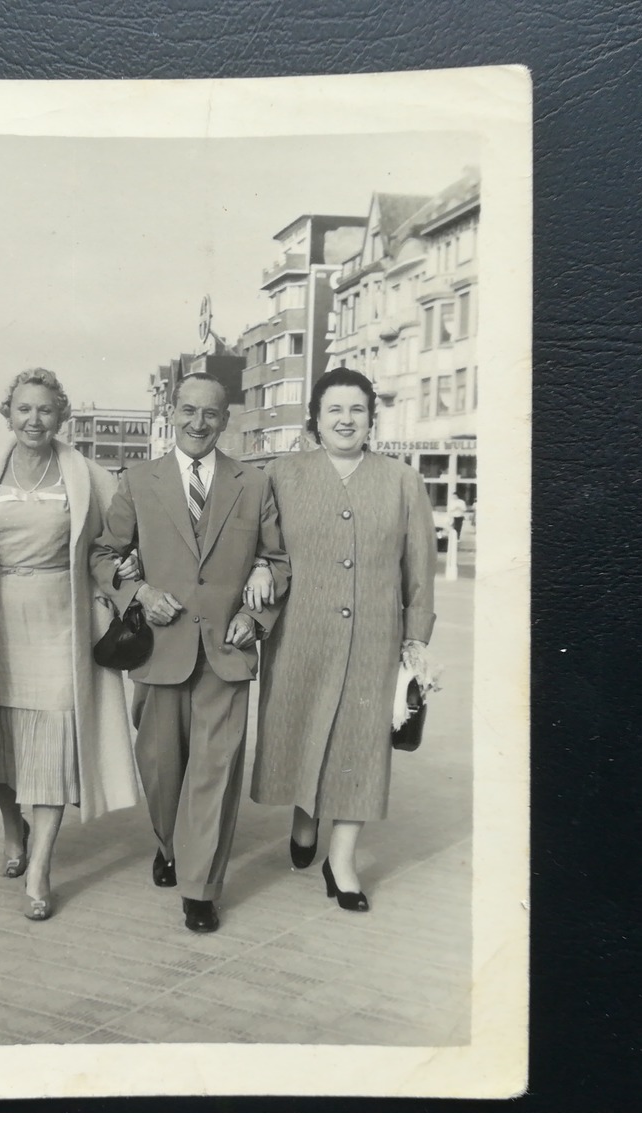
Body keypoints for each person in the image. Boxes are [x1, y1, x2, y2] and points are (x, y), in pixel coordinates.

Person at [0, 368, 138, 920]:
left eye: (45, 410)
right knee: (2, 739)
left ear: (61, 415)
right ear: (8, 414)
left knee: (53, 745)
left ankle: (40, 867)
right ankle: (12, 830)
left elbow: (118, 540)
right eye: (23, 409)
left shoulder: (87, 475)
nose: (34, 420)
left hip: (60, 626)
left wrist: (113, 595)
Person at [90, 375, 288, 934]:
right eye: (188, 411)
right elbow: (105, 553)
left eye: (211, 414)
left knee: (215, 773)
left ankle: (199, 887)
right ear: (172, 413)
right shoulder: (137, 481)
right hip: (160, 648)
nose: (198, 423)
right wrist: (140, 593)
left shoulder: (253, 482)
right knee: (160, 768)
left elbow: (277, 560)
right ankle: (170, 842)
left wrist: (257, 616)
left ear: (226, 420)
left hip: (227, 650)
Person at [250, 368, 436, 912]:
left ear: (371, 418)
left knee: (361, 742)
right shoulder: (282, 476)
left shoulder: (404, 481)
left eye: (357, 409)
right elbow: (262, 545)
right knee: (306, 728)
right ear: (316, 418)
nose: (346, 420)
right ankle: (305, 819)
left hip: (376, 637)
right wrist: (260, 568)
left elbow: (420, 569)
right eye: (335, 409)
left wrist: (416, 641)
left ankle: (343, 860)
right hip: (300, 631)